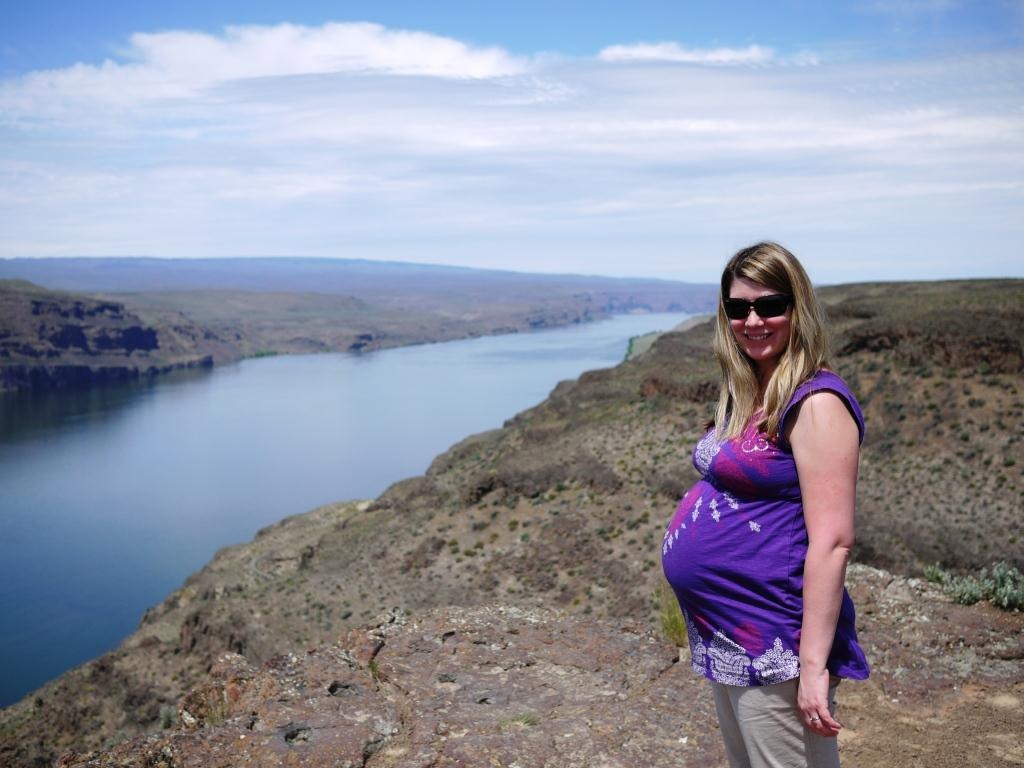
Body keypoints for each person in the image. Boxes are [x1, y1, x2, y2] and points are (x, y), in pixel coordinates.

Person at [661, 242, 869, 768]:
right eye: (738, 308)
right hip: (730, 637)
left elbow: (833, 541)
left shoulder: (816, 403)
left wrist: (813, 667)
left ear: (798, 308)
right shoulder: (753, 388)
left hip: (774, 640)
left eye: (769, 305)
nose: (752, 321)